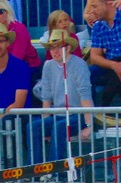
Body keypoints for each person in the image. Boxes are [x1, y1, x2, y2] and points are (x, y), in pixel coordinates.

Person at [29, 29, 93, 167]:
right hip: (58, 113)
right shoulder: (48, 65)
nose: (55, 51)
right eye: (52, 47)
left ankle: (57, 172)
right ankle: (35, 169)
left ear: (68, 48)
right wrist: (46, 123)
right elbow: (46, 97)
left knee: (59, 127)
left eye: (59, 46)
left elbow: (85, 96)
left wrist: (89, 126)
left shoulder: (79, 64)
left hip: (77, 113)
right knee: (33, 127)